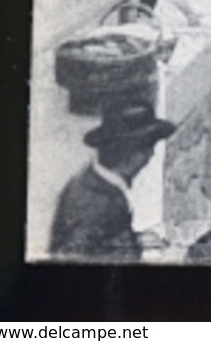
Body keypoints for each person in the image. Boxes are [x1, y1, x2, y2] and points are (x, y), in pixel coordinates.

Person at [49, 103, 176, 262]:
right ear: (132, 155)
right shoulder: (97, 201)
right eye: (148, 148)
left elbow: (101, 241)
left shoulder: (95, 182)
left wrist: (133, 242)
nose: (151, 155)